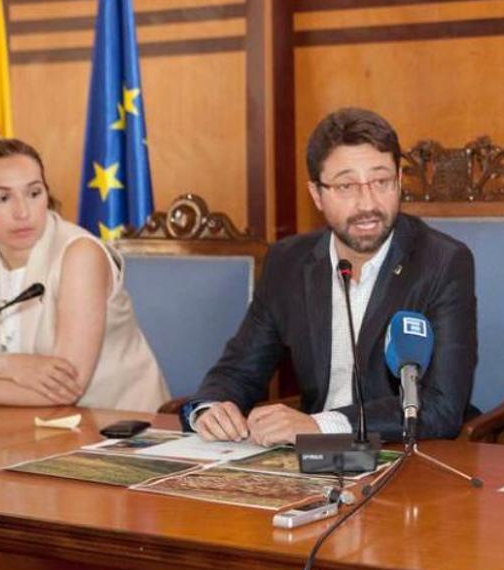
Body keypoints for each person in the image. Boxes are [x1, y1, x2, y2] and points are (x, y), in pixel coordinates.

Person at [182, 107, 477, 446]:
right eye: (346, 186)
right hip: (309, 462)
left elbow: (441, 405)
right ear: (316, 195)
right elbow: (239, 370)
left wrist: (320, 425)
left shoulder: (442, 262)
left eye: (381, 182)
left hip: (402, 455)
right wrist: (212, 408)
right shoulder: (287, 262)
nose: (368, 203)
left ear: (398, 181)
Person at [0, 138, 169, 411]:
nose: (22, 212)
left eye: (34, 193)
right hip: (19, 426)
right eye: (2, 197)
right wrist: (12, 366)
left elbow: (64, 389)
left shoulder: (80, 253)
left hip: (118, 425)